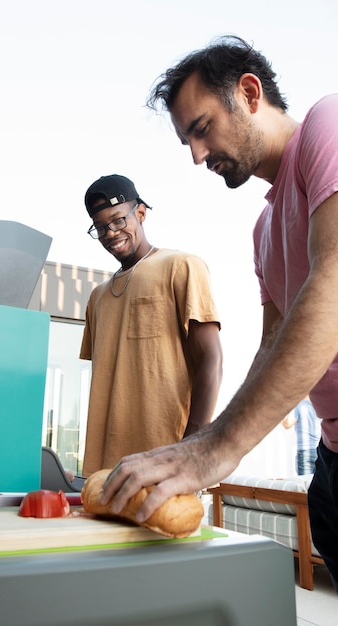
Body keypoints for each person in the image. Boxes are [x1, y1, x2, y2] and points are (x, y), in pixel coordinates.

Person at [100, 36, 338, 592]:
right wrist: (196, 444)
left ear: (249, 93)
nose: (197, 155)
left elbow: (332, 283)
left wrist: (218, 449)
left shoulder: (328, 125)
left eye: (201, 128)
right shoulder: (263, 230)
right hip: (332, 460)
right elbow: (271, 346)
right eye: (188, 140)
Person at [80, 173, 222, 476]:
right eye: (101, 227)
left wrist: (191, 447)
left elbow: (212, 358)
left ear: (140, 213)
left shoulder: (181, 266)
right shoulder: (97, 297)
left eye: (118, 220)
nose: (110, 233)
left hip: (166, 463)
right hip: (106, 470)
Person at [282, 397, 321, 475]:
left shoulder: (298, 406)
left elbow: (287, 424)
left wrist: (278, 415)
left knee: (305, 483)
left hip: (305, 450)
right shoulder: (319, 405)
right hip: (320, 450)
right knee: (320, 484)